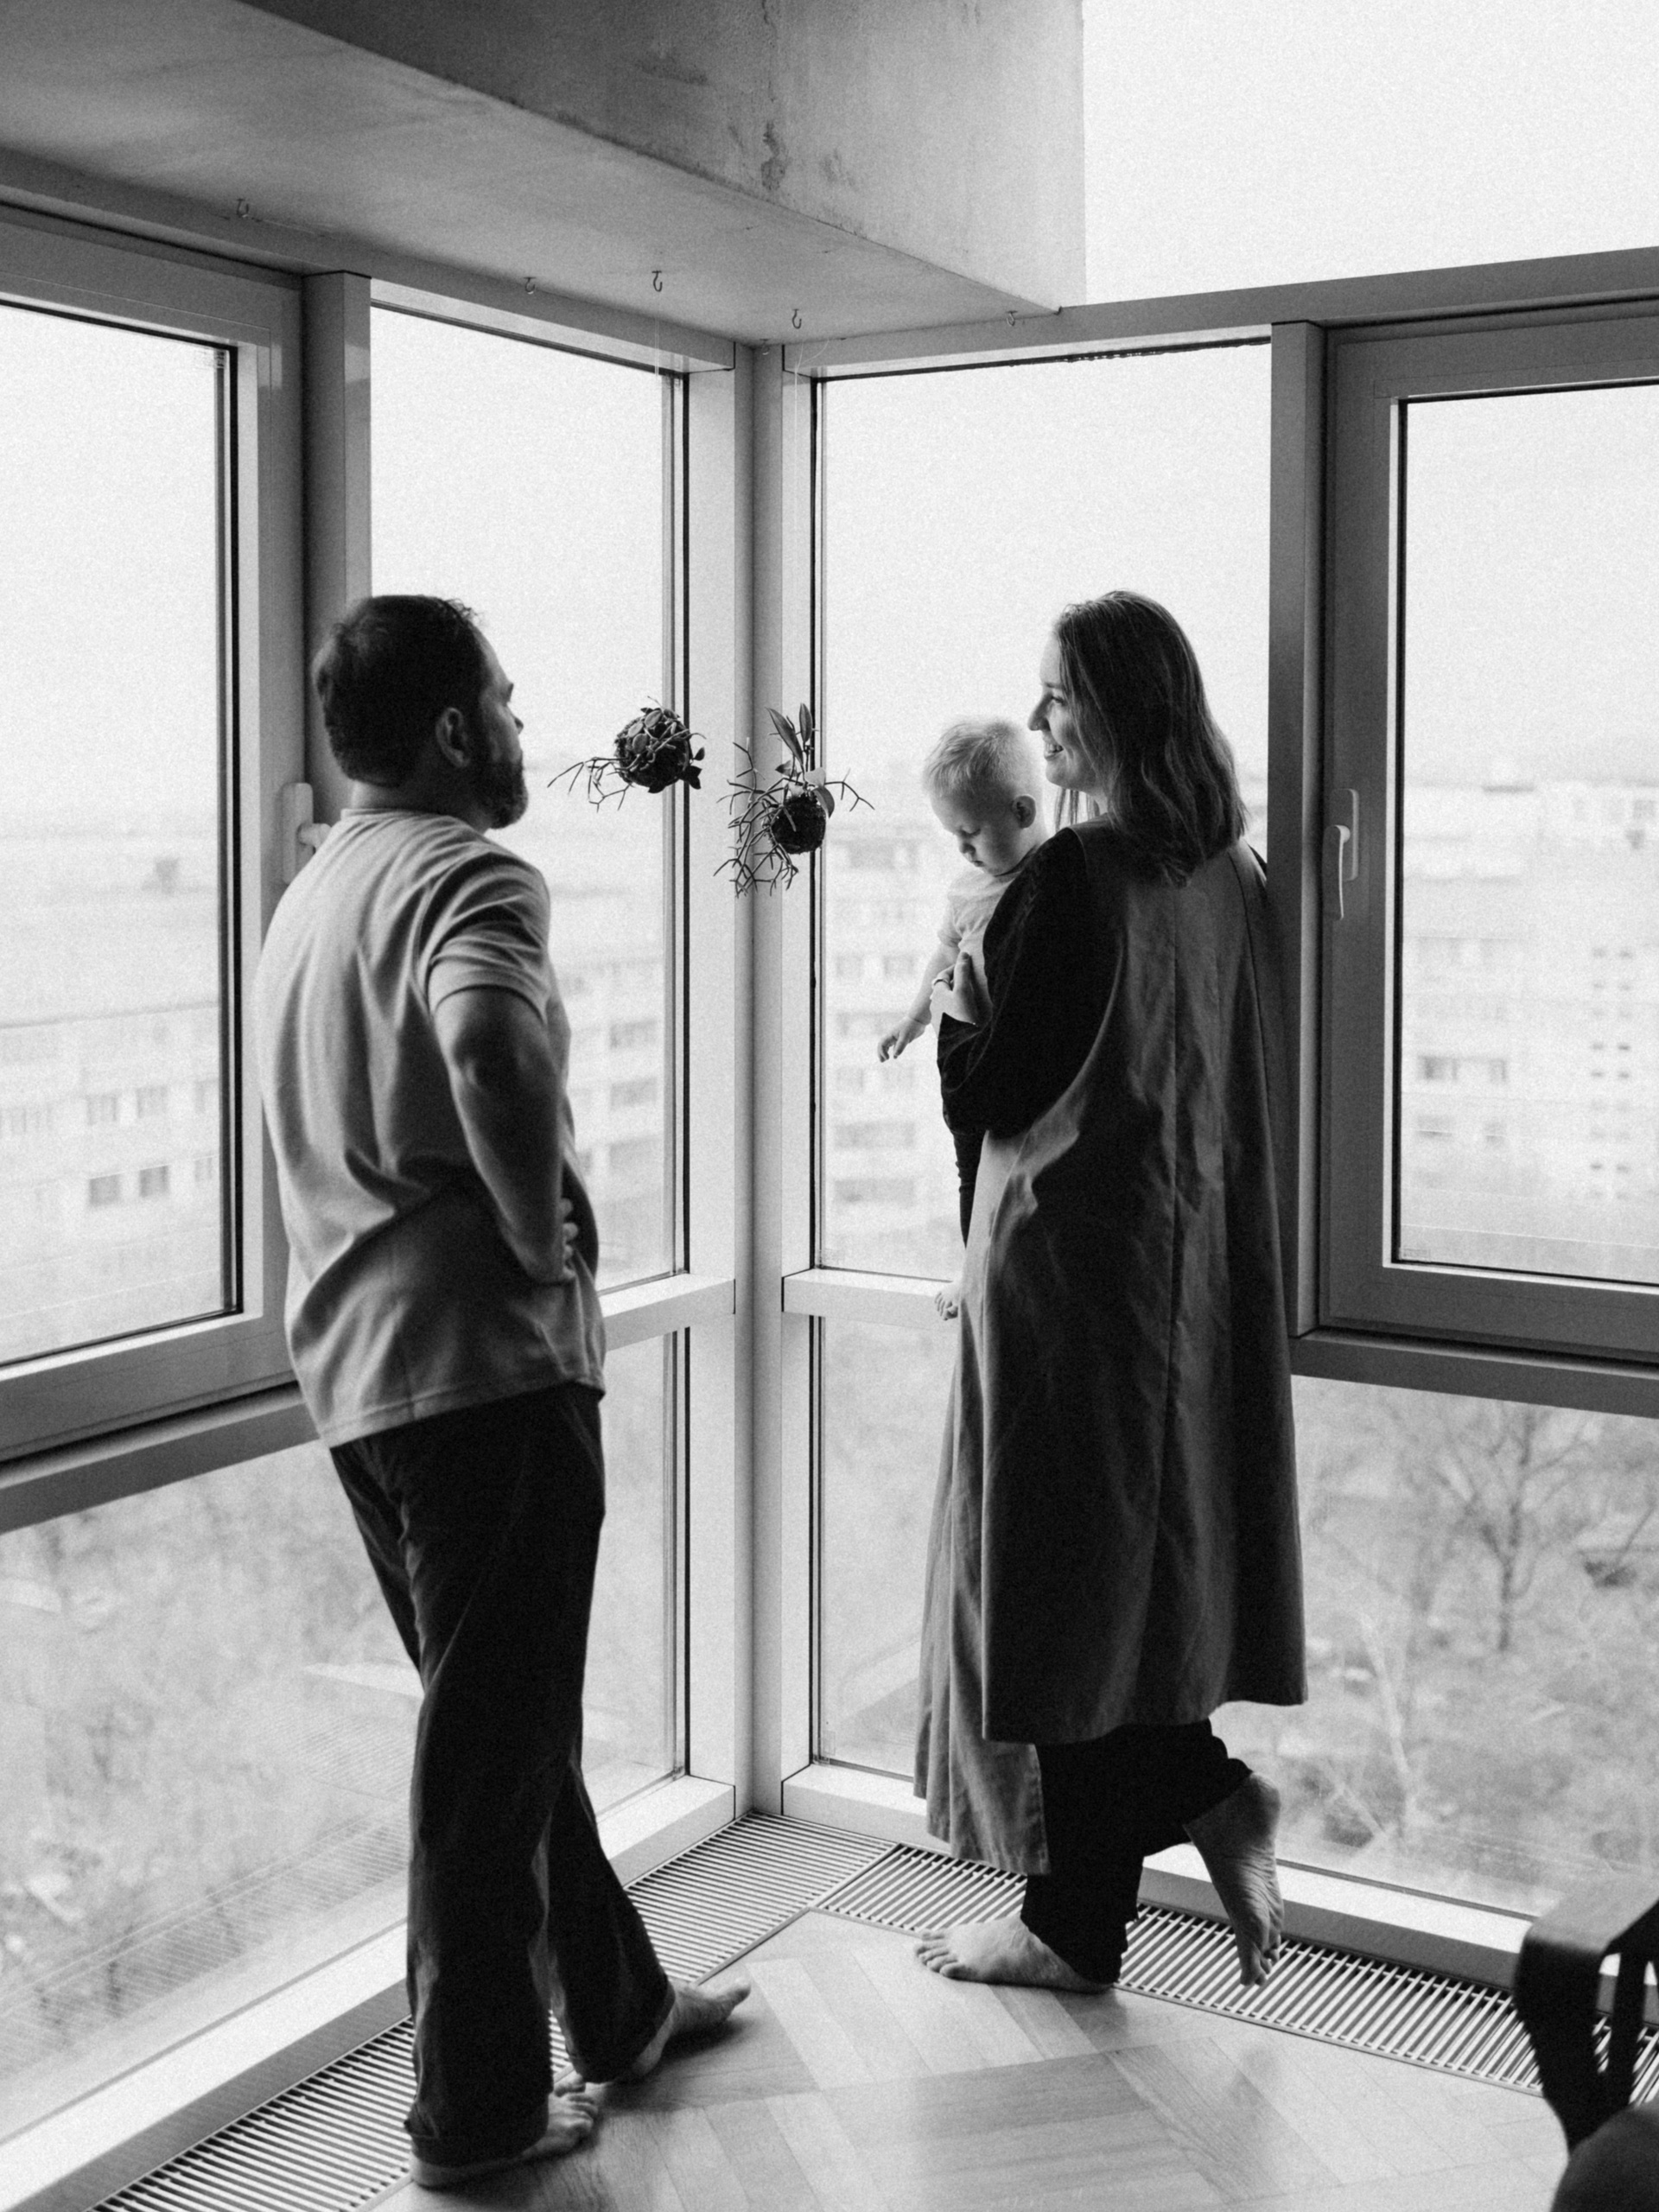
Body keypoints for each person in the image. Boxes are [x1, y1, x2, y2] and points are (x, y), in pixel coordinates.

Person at [254, 595, 744, 2189]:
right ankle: (475, 2120)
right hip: (480, 1377)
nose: (526, 733)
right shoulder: (466, 873)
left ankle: (621, 2010)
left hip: (363, 1385)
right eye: (512, 705)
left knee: (505, 1729)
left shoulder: (314, 893)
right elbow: (487, 1049)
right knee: (485, 1766)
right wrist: (538, 1235)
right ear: (458, 729)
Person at [912, 590, 1305, 1997]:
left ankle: (1109, 1887)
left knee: (1058, 1594)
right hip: (1181, 1277)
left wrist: (954, 988)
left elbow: (995, 1085)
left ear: (1119, 712)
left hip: (1067, 1282)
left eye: (1059, 696)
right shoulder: (1228, 874)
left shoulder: (1073, 876)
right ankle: (1136, 1857)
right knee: (1136, 1584)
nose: (1039, 721)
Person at [877, 718, 1050, 1312]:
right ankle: (972, 1271)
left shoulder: (1053, 878)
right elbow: (945, 955)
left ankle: (1006, 1273)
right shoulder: (966, 890)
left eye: (971, 832)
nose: (963, 849)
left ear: (1023, 812)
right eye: (954, 835)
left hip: (1023, 1065)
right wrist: (914, 1019)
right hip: (971, 1062)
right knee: (972, 1174)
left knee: (1024, 1183)